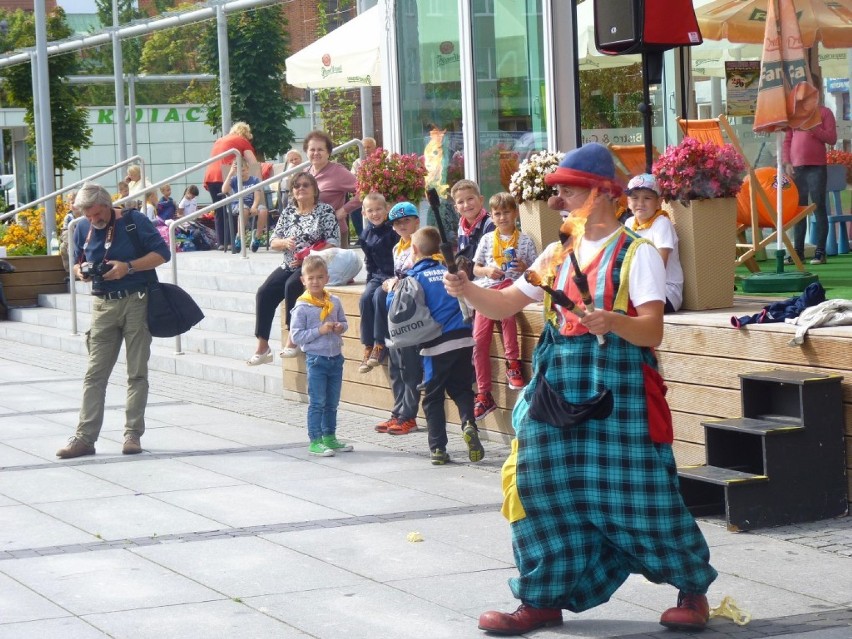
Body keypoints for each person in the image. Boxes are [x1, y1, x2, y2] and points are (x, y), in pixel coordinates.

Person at [443, 143, 717, 635]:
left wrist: (611, 320)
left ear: (601, 192)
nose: (558, 201)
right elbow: (504, 304)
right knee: (538, 486)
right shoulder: (556, 253)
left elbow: (652, 331)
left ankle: (692, 588)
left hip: (619, 389)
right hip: (558, 387)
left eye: (567, 190)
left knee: (641, 492)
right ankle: (541, 597)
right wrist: (467, 290)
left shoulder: (640, 254)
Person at [56, 182, 170, 459]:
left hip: (136, 300)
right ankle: (84, 438)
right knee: (94, 375)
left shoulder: (134, 221)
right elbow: (71, 259)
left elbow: (163, 254)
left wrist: (127, 267)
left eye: (97, 214)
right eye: (88, 216)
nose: (93, 220)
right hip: (102, 305)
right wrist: (80, 271)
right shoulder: (82, 226)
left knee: (136, 372)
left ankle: (132, 434)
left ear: (108, 205)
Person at [389, 226, 483, 466]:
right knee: (462, 389)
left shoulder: (413, 278)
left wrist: (390, 289)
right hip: (463, 339)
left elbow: (397, 307)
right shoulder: (448, 272)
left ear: (415, 249)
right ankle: (469, 424)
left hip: (436, 345)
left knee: (432, 397)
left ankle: (438, 448)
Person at [248, 171, 340, 366]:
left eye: (305, 185)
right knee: (264, 292)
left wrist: (308, 254)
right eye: (296, 186)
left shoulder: (324, 210)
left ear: (315, 190)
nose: (301, 189)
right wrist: (284, 242)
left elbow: (333, 242)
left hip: (313, 264)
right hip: (289, 263)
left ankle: (293, 338)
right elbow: (273, 240)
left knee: (292, 285)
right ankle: (263, 346)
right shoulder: (289, 212)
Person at [470, 192, 538, 420]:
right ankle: (483, 393)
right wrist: (487, 270)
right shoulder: (487, 239)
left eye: (506, 212)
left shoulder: (525, 240)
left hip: (512, 290)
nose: (502, 218)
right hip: (488, 291)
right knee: (478, 341)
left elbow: (536, 272)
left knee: (508, 316)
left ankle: (513, 364)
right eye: (497, 214)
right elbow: (476, 269)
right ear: (492, 215)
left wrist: (524, 265)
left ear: (515, 213)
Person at [288, 255, 353, 457]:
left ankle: (329, 437)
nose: (315, 281)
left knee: (332, 402)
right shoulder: (302, 306)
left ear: (327, 278)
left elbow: (344, 322)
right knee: (317, 402)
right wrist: (320, 330)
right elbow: (296, 335)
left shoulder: (334, 301)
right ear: (303, 280)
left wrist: (340, 327)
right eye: (311, 278)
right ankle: (315, 440)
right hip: (316, 359)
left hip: (335, 358)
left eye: (320, 277)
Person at [375, 201, 422, 436]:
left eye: (406, 220)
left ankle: (409, 416)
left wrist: (399, 282)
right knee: (396, 365)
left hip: (414, 313)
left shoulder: (422, 244)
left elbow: (421, 275)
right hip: (396, 310)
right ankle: (398, 410)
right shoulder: (397, 248)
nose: (402, 225)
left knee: (410, 367)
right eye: (397, 223)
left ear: (417, 221)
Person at [783, 82, 838, 266]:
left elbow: (832, 138)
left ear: (817, 93)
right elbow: (788, 140)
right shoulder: (795, 116)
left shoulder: (825, 113)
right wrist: (787, 162)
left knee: (818, 207)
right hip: (797, 168)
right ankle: (797, 252)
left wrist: (812, 128)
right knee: (798, 210)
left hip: (816, 167)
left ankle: (820, 252)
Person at [624, 173, 684, 313]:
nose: (640, 203)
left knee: (622, 308)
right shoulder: (629, 223)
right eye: (634, 198)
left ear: (659, 202)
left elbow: (658, 267)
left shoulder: (662, 224)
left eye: (647, 198)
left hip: (665, 292)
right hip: (640, 289)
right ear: (627, 202)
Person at [357, 192, 398, 373]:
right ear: (364, 213)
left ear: (386, 209)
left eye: (379, 209)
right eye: (370, 211)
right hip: (377, 275)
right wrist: (368, 283)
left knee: (379, 297)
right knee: (366, 298)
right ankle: (368, 345)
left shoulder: (393, 231)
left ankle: (380, 344)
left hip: (393, 275)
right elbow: (370, 262)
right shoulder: (366, 234)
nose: (375, 214)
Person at [202, 122, 259, 251]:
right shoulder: (242, 141)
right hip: (227, 174)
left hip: (211, 175)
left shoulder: (220, 140)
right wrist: (257, 179)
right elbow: (253, 163)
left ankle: (221, 242)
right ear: (245, 134)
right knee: (233, 208)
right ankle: (231, 242)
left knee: (219, 210)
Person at [304, 130, 361, 248]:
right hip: (309, 233)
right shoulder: (306, 172)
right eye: (312, 149)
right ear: (306, 152)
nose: (316, 153)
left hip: (333, 233)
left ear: (328, 152)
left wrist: (344, 210)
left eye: (320, 149)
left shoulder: (337, 171)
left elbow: (365, 190)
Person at [222, 159, 268, 253]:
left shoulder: (255, 180)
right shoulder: (234, 179)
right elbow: (224, 190)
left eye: (243, 170)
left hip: (252, 204)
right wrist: (230, 173)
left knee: (263, 210)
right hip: (237, 205)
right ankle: (239, 237)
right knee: (244, 209)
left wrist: (255, 206)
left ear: (247, 169)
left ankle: (257, 237)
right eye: (239, 171)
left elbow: (257, 196)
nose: (241, 173)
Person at [452, 179, 495, 262]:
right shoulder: (461, 226)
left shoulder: (490, 224)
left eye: (470, 199)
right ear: (456, 208)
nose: (466, 205)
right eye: (460, 202)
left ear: (481, 200)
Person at [350, 137, 377, 239]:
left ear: (374, 148)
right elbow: (353, 179)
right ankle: (362, 236)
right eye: (363, 148)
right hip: (362, 194)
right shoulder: (357, 163)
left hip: (378, 194)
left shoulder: (381, 160)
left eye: (368, 147)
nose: (365, 150)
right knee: (354, 209)